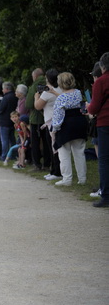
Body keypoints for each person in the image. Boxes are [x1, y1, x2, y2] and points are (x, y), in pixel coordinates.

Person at [51, 72, 87, 187]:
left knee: (64, 153)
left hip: (66, 126)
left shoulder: (61, 98)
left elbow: (58, 116)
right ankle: (82, 179)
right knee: (79, 153)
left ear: (60, 83)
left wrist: (54, 129)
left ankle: (67, 179)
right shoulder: (78, 93)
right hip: (80, 123)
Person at [87, 52, 109, 207]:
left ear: (102, 67)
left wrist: (88, 108)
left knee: (104, 159)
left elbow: (94, 107)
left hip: (105, 122)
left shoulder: (101, 81)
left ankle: (106, 194)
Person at [34, 68, 62, 181]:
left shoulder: (47, 92)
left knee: (52, 148)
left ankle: (56, 172)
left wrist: (36, 97)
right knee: (57, 147)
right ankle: (55, 171)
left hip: (50, 122)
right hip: (60, 120)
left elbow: (37, 106)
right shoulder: (61, 89)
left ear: (49, 79)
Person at [26, 68, 51, 171]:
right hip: (48, 118)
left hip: (36, 118)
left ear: (35, 76)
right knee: (47, 142)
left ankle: (37, 164)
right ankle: (47, 164)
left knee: (35, 142)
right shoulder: (49, 83)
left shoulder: (33, 87)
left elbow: (28, 104)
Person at [0, 82, 18, 162]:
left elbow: (1, 109)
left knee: (4, 140)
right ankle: (13, 155)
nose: (2, 90)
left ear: (7, 89)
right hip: (12, 121)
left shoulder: (6, 97)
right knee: (12, 139)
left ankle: (4, 156)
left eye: (3, 88)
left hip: (4, 121)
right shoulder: (15, 96)